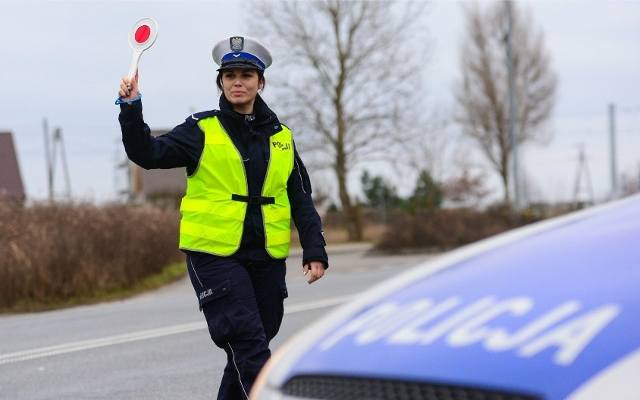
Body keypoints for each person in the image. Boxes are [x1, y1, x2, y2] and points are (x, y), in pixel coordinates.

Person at [116, 35, 328, 399]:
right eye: (229, 75)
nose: (237, 82)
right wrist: (131, 106)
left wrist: (315, 249)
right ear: (221, 82)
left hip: (266, 257)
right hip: (214, 255)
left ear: (260, 82)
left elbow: (300, 198)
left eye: (246, 75)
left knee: (253, 343)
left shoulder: (282, 138)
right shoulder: (201, 129)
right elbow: (146, 153)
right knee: (247, 342)